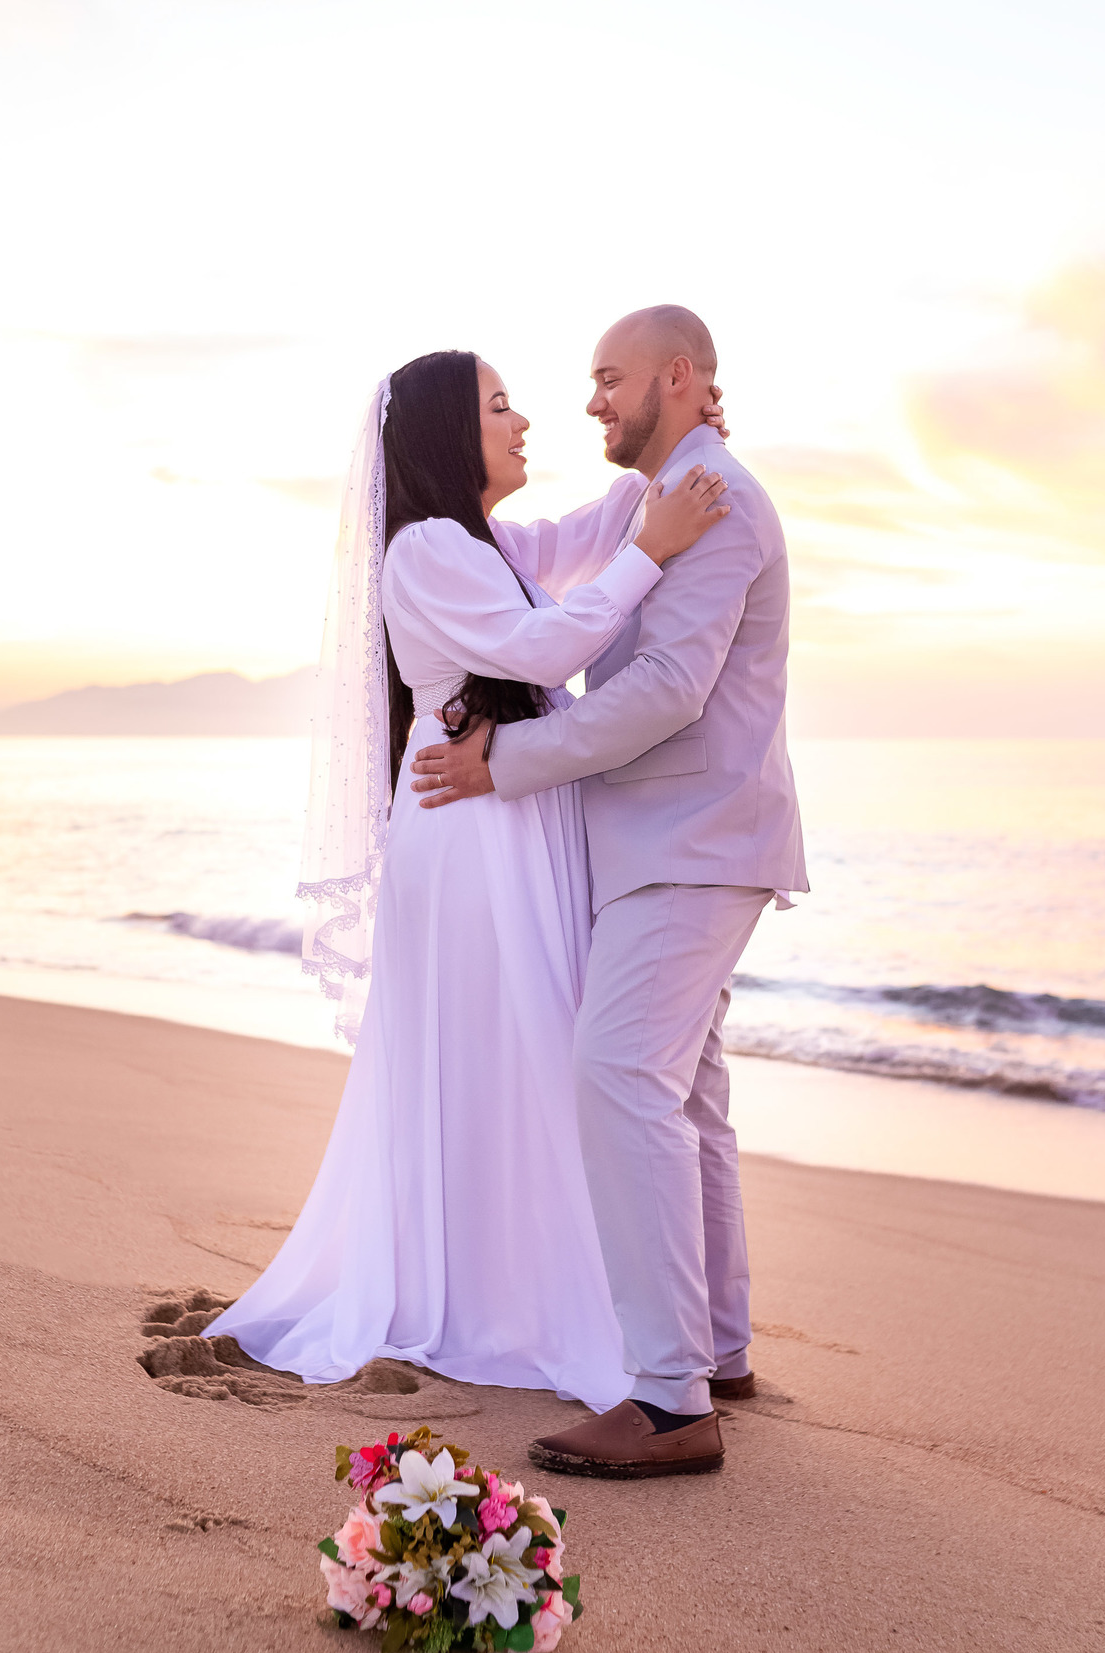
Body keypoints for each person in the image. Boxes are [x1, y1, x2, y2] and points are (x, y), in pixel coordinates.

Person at [203, 347, 728, 1412]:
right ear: (451, 431)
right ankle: (506, 1299)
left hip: (504, 820)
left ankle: (523, 1284)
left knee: (525, 1047)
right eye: (499, 405)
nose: (524, 419)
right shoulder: (428, 548)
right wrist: (652, 553)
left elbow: (586, 537)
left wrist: (675, 438)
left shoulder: (482, 541)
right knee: (518, 1047)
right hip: (471, 835)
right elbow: (541, 651)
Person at [410, 306, 809, 1479]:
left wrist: (506, 764)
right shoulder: (664, 495)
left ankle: (672, 1402)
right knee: (685, 1100)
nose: (588, 401)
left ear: (677, 379)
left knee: (619, 1074)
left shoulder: (716, 498)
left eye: (608, 380)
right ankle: (716, 1351)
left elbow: (669, 691)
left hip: (692, 839)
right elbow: (570, 569)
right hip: (664, 839)